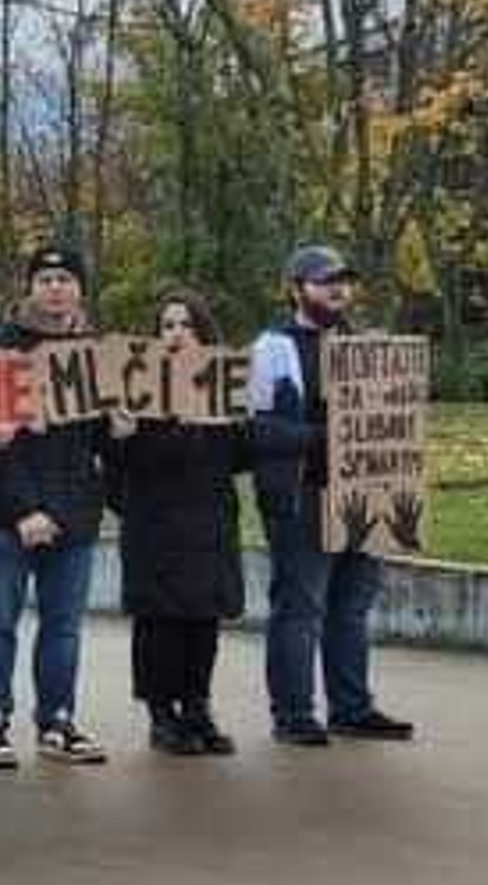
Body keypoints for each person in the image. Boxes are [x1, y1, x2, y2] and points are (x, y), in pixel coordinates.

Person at [0, 245, 129, 768]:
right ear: (30, 288)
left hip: (75, 513)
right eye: (45, 278)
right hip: (8, 515)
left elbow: (97, 443)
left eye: (65, 278)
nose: (55, 287)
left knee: (63, 625)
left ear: (79, 288)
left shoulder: (99, 355)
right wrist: (24, 511)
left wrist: (120, 430)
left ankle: (57, 718)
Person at [249, 244, 416, 746]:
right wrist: (322, 437)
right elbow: (255, 430)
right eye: (325, 280)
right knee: (300, 609)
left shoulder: (367, 346)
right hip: (302, 495)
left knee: (352, 608)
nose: (338, 288)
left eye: (344, 279)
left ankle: (352, 708)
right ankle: (294, 714)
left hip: (365, 494)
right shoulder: (271, 348)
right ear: (297, 289)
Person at [107, 291, 251, 756]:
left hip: (208, 520)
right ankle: (161, 715)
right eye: (166, 326)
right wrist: (128, 435)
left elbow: (241, 458)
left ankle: (197, 707)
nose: (175, 334)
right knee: (159, 623)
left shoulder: (224, 389)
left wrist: (238, 423)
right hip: (156, 523)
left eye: (185, 325)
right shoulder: (135, 390)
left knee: (202, 622)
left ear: (202, 333)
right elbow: (119, 465)